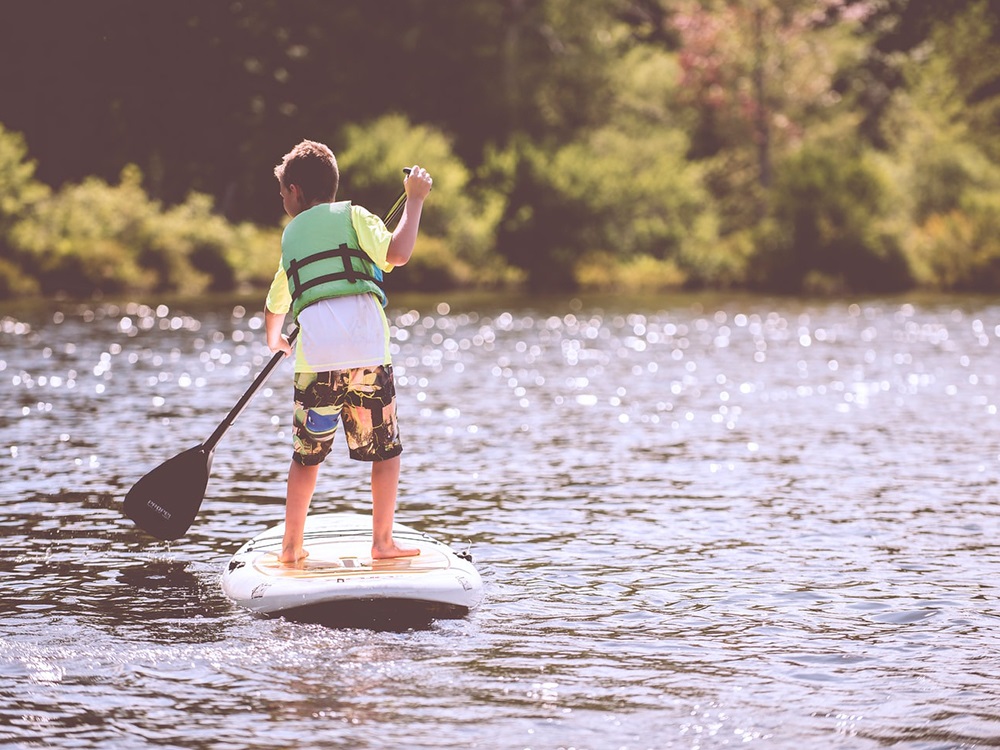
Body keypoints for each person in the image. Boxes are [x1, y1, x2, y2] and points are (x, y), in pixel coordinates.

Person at [264, 139, 432, 563]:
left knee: (307, 458)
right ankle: (382, 543)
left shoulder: (290, 237)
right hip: (368, 358)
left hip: (317, 363)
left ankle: (290, 548)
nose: (282, 198)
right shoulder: (355, 216)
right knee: (385, 451)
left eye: (283, 191)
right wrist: (414, 202)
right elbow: (399, 252)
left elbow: (276, 302)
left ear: (296, 191)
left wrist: (275, 339)